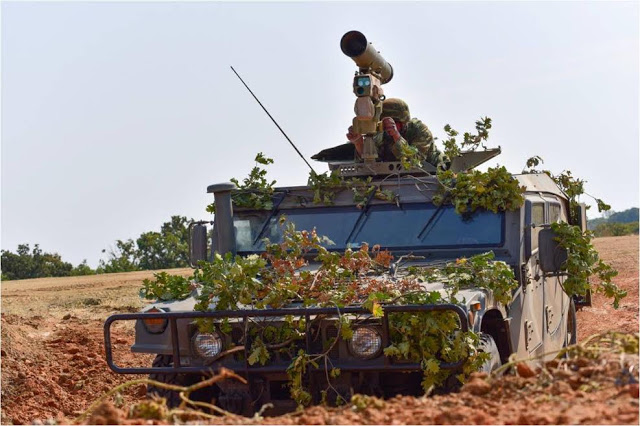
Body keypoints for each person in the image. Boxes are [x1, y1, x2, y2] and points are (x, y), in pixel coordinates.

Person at [346, 98, 449, 168]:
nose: (389, 126)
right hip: (395, 177)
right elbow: (371, 166)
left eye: (394, 122)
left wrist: (396, 136)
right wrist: (359, 143)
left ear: (404, 122)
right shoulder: (380, 132)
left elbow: (416, 163)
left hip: (434, 172)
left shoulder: (419, 130)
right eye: (385, 122)